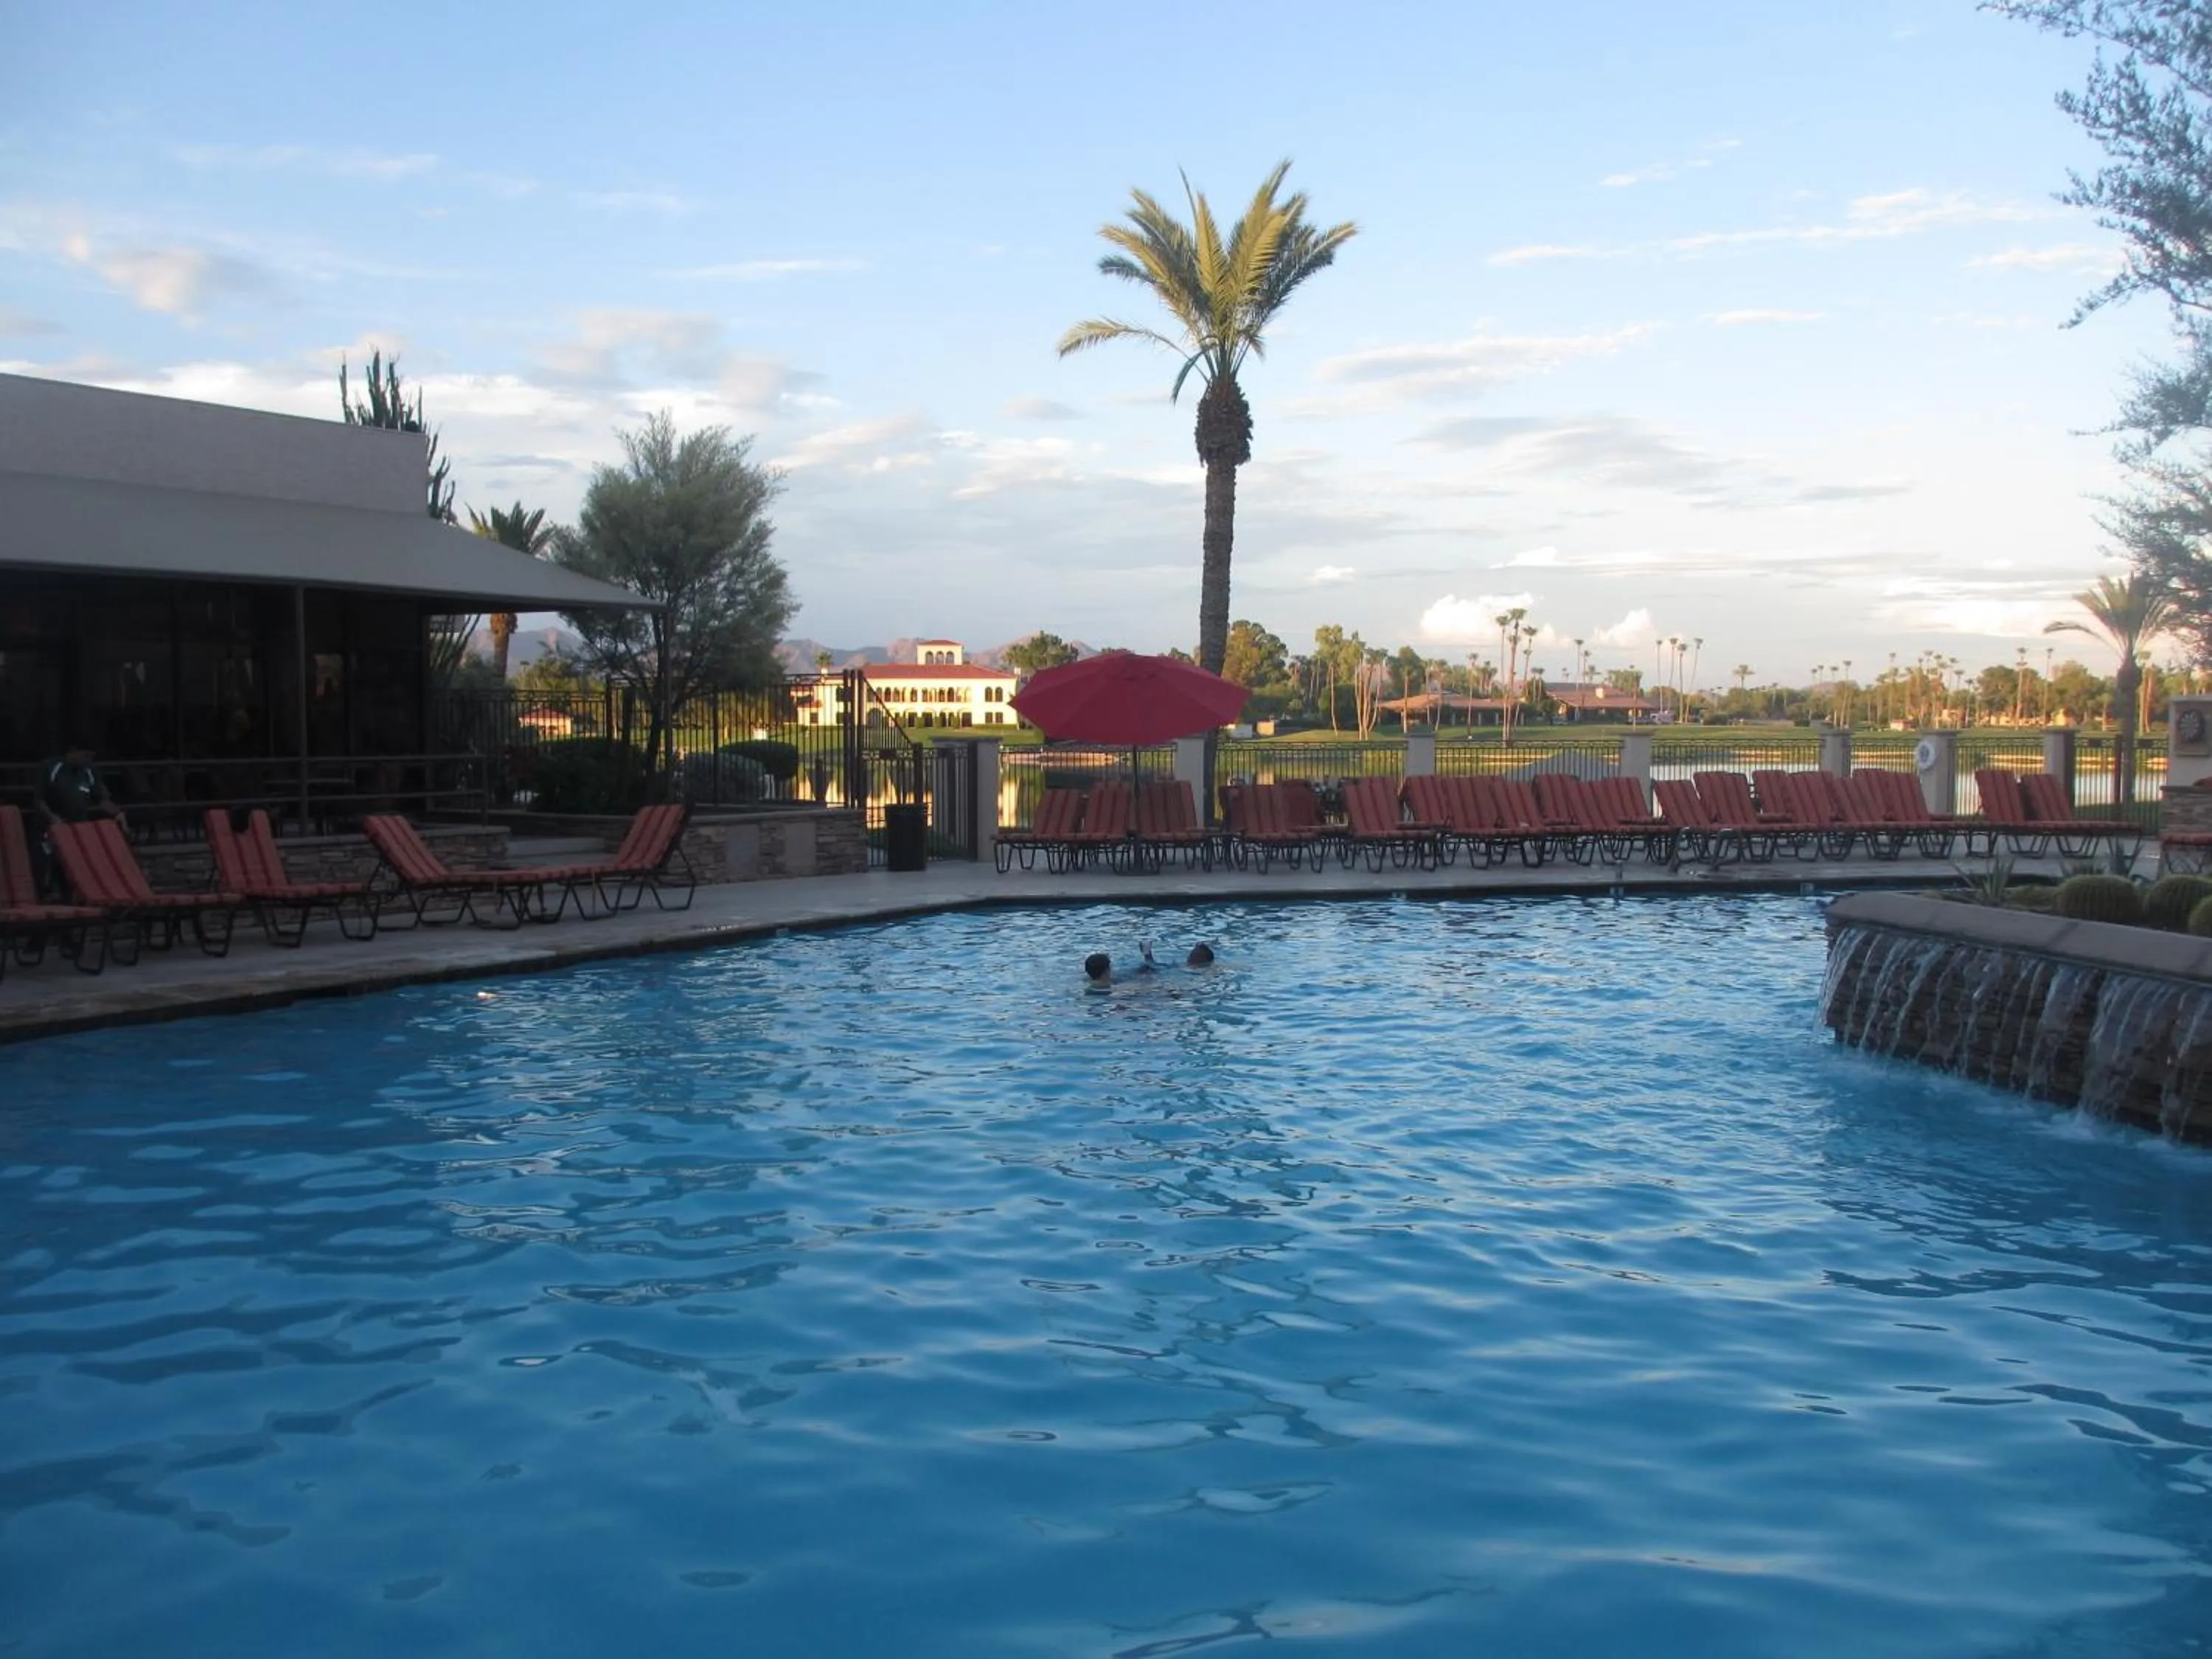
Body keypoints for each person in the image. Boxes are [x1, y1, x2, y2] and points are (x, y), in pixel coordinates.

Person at [32, 742, 126, 897]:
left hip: (77, 830)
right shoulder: (49, 768)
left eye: (91, 757)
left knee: (74, 869)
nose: (87, 760)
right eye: (85, 756)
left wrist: (117, 812)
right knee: (45, 866)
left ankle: (71, 897)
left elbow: (101, 799)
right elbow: (39, 800)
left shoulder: (89, 771)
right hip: (50, 827)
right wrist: (53, 818)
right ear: (73, 752)